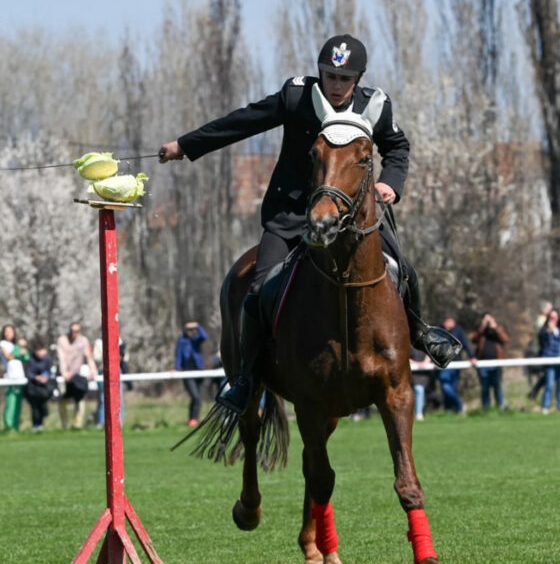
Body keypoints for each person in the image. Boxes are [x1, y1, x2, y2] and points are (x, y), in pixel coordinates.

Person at [159, 34, 461, 417]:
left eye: (344, 79)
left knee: (405, 271)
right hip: (291, 218)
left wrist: (391, 183)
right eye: (330, 76)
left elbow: (397, 147)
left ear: (358, 79)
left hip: (351, 221)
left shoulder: (375, 107)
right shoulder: (296, 97)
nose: (336, 85)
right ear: (320, 73)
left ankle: (421, 333)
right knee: (258, 291)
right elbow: (243, 121)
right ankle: (247, 378)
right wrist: (185, 146)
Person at [56, 323, 98, 429]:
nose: (73, 333)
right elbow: (61, 358)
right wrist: (64, 373)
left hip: (77, 375)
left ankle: (77, 424)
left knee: (79, 399)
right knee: (62, 399)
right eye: (72, 331)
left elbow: (88, 356)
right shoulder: (62, 340)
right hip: (64, 375)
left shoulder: (83, 340)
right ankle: (64, 425)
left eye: (76, 331)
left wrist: (93, 371)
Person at [437, 317, 477, 413]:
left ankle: (450, 409)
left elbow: (465, 344)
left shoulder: (458, 331)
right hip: (443, 363)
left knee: (453, 387)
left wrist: (472, 356)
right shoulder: (438, 330)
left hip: (456, 363)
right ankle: (460, 404)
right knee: (445, 386)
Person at [470, 313, 509, 409]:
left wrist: (495, 328)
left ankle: (501, 407)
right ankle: (486, 408)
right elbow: (473, 339)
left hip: (497, 363)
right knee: (485, 387)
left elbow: (505, 339)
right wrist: (482, 327)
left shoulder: (499, 328)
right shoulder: (480, 331)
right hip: (482, 363)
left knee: (498, 385)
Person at [174, 322, 209, 426]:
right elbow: (178, 354)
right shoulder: (182, 340)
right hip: (187, 372)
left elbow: (204, 336)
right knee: (195, 396)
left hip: (199, 370)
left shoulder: (196, 339)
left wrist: (197, 325)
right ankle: (192, 418)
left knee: (199, 398)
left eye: (192, 329)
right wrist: (177, 368)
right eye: (188, 329)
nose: (190, 331)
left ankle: (194, 419)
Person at [92, 336, 126, 427]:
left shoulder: (119, 340)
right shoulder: (99, 342)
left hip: (116, 370)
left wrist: (120, 355)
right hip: (103, 370)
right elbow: (96, 357)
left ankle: (119, 422)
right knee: (103, 398)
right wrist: (109, 356)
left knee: (119, 397)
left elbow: (125, 357)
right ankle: (102, 422)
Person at [24, 341, 55, 432]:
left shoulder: (48, 359)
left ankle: (40, 425)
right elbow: (29, 373)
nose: (40, 353)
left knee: (42, 406)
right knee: (35, 407)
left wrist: (45, 377)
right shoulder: (30, 360)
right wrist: (36, 378)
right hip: (33, 388)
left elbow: (50, 371)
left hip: (44, 388)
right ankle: (35, 425)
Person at [539, 309, 560, 414]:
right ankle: (545, 407)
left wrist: (555, 331)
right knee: (549, 385)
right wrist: (548, 332)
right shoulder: (544, 331)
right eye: (551, 317)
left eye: (554, 317)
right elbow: (542, 342)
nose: (553, 320)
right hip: (549, 360)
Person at [410, 348, 435, 422]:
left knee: (419, 389)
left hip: (424, 374)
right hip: (411, 373)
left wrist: (426, 361)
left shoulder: (426, 344)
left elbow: (431, 352)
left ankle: (419, 414)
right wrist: (417, 364)